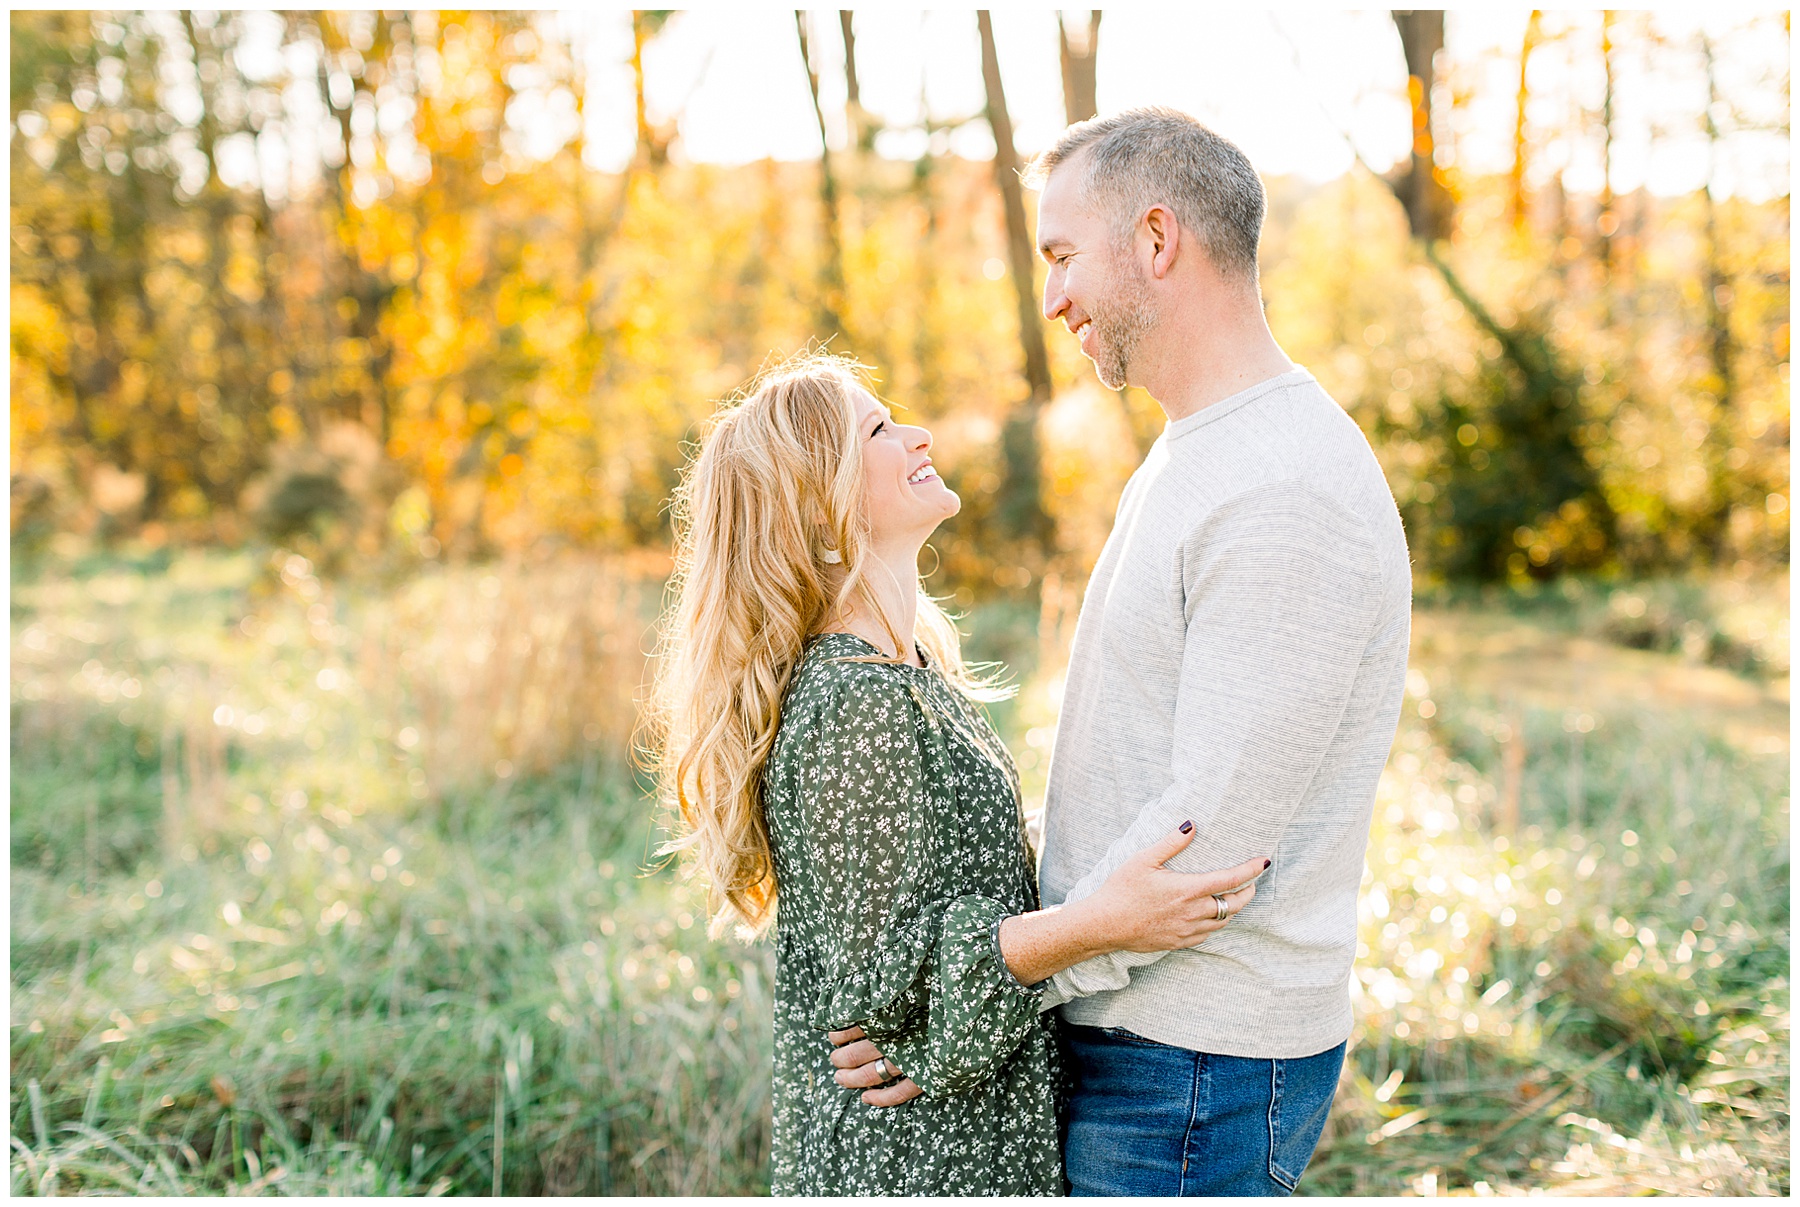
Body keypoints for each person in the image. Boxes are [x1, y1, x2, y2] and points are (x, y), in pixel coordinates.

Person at [648, 353, 1269, 1196]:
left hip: (958, 1138)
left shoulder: (907, 677)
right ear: (818, 505)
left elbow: (947, 894)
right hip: (911, 1161)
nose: (917, 434)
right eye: (877, 429)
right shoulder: (854, 700)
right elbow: (897, 987)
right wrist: (1103, 921)